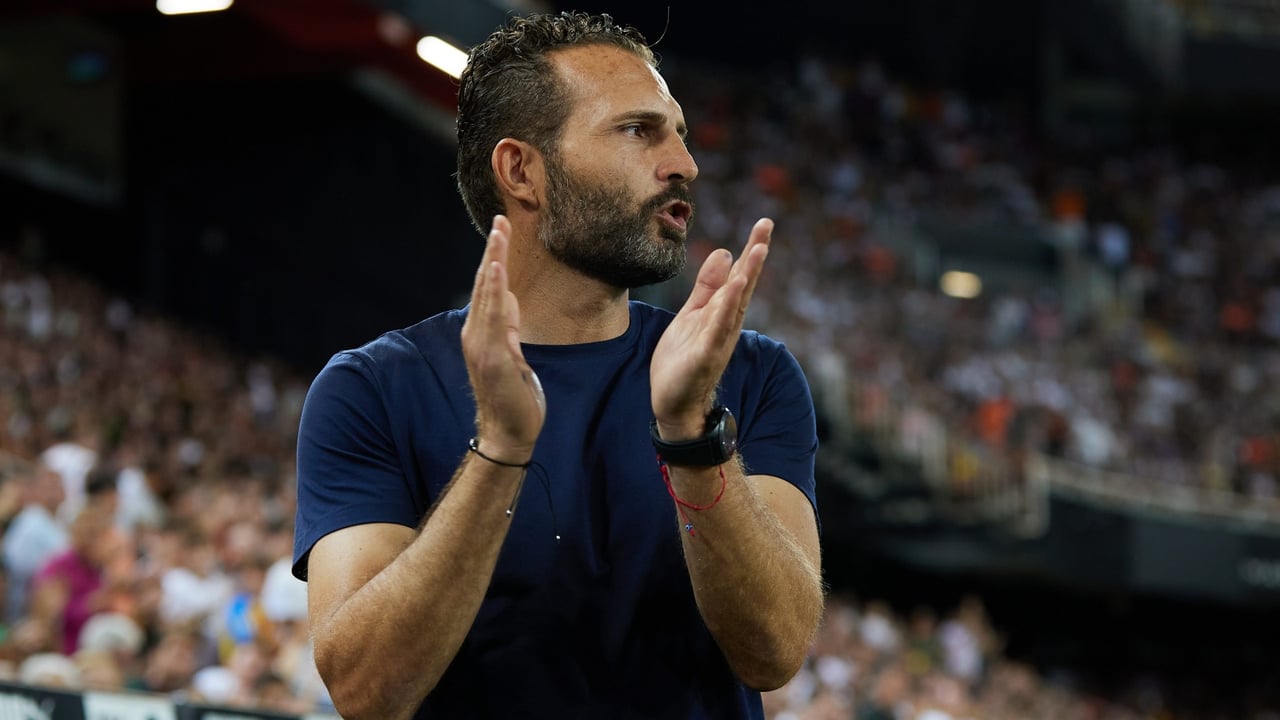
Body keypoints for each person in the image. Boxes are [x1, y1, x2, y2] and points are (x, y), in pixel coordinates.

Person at [292, 11, 823, 719]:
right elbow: (366, 692)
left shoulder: (750, 373)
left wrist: (692, 435)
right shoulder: (372, 389)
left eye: (678, 133)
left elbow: (774, 652)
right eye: (637, 130)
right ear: (522, 171)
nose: (684, 164)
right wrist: (501, 451)